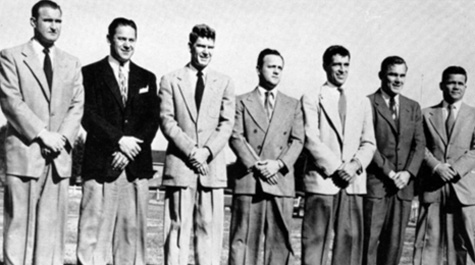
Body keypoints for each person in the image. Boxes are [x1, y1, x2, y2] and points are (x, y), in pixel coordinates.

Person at [0, 1, 84, 264]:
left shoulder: (71, 62)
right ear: (33, 22)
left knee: (51, 234)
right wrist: (41, 134)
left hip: (58, 159)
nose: (54, 26)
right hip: (26, 155)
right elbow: (11, 101)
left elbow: (77, 105)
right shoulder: (11, 56)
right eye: (48, 20)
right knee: (18, 231)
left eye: (58, 21)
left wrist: (60, 139)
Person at [76, 17, 160, 265]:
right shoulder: (89, 73)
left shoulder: (147, 77)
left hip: (135, 167)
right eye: (121, 38)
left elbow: (152, 120)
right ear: (109, 39)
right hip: (102, 163)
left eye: (131, 39)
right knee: (94, 236)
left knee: (130, 238)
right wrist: (118, 141)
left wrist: (130, 149)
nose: (126, 44)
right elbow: (87, 114)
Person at [159, 24, 235, 265]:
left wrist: (206, 152)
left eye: (210, 47)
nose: (205, 51)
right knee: (177, 230)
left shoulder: (224, 82)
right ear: (190, 46)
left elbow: (226, 124)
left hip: (212, 169)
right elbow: (167, 121)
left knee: (209, 233)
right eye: (201, 46)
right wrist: (192, 151)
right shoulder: (171, 80)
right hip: (181, 166)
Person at [300, 45, 376, 265]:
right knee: (315, 243)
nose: (342, 70)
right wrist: (337, 168)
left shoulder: (361, 100)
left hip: (353, 183)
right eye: (337, 64)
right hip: (323, 181)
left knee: (350, 243)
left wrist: (353, 166)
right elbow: (310, 138)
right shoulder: (312, 97)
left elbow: (369, 142)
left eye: (346, 65)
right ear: (326, 66)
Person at [228, 48, 304, 265]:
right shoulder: (241, 101)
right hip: (250, 181)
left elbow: (298, 141)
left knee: (279, 245)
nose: (276, 71)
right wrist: (258, 166)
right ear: (258, 69)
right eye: (271, 66)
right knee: (243, 243)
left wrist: (278, 164)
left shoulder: (293, 104)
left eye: (280, 67)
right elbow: (236, 137)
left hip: (281, 181)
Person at [363, 56, 425, 265]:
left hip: (403, 189)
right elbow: (367, 144)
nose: (398, 80)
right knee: (369, 245)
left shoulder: (413, 107)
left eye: (402, 75)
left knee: (394, 248)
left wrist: (407, 173)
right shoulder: (368, 103)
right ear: (381, 75)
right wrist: (390, 172)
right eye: (392, 74)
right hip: (376, 185)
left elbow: (419, 145)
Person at [414, 66, 475, 265]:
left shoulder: (473, 115)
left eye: (460, 83)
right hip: (432, 187)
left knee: (464, 246)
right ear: (442, 85)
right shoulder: (425, 114)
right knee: (428, 245)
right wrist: (436, 166)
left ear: (465, 87)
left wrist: (455, 169)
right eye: (451, 82)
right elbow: (419, 145)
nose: (455, 87)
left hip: (463, 190)